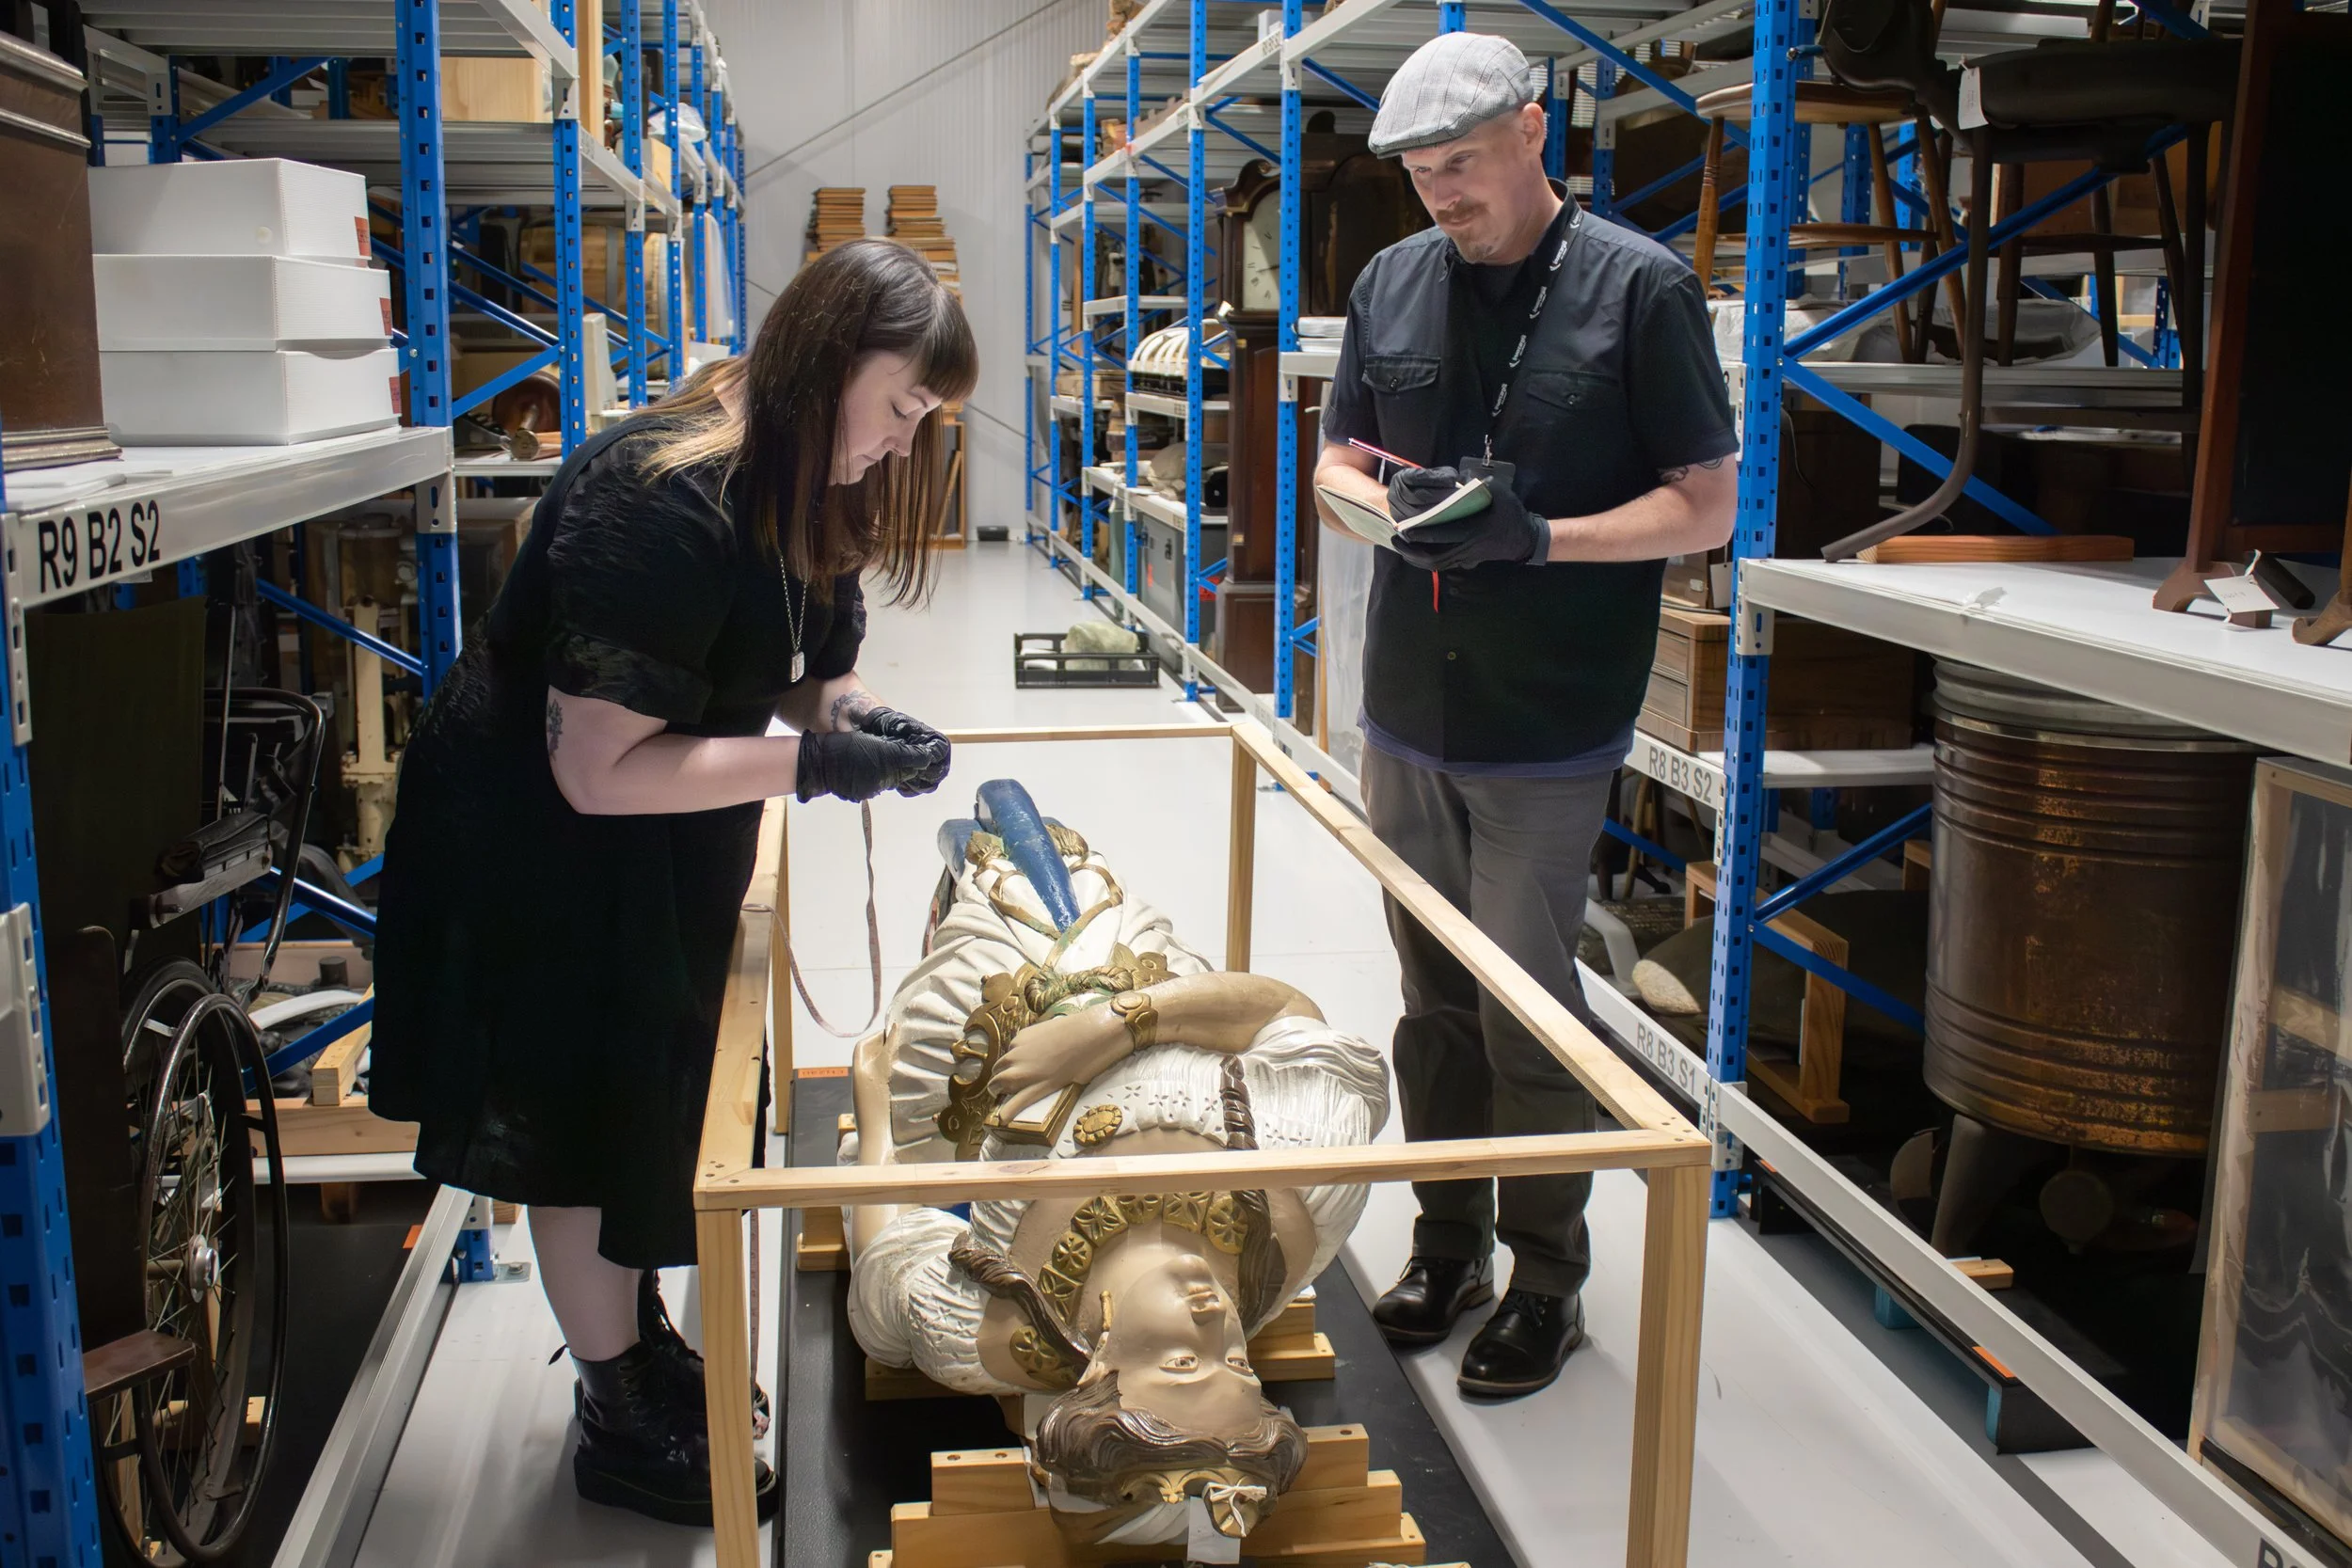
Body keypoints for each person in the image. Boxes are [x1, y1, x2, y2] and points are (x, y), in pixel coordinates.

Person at [370, 238, 977, 1525]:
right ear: (825, 365)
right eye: (903, 407)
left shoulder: (807, 473)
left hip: (663, 818)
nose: (906, 442)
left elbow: (813, 661)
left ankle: (634, 1345)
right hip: (543, 835)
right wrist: (810, 762)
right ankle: (616, 1404)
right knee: (583, 1115)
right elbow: (594, 766)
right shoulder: (658, 498)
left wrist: (860, 716)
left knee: (648, 1085)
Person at [1312, 31, 1739, 1399]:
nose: (1442, 197)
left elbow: (1706, 502)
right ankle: (1450, 1241)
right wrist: (1401, 513)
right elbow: (1333, 463)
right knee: (1432, 1003)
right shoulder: (1390, 282)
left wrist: (1538, 540)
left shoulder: (1640, 290)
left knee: (1526, 1011)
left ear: (1533, 132)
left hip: (1549, 722)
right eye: (1420, 175)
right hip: (1407, 715)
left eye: (1460, 168)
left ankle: (1549, 1280)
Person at [844, 782, 1391, 1552]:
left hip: (969, 1046)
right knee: (1065, 858)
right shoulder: (1301, 1205)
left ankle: (962, 885)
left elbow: (885, 1260)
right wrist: (1121, 1023)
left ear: (1095, 1372)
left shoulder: (992, 1330)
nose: (1216, 1319)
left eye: (1182, 1358)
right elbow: (1284, 1012)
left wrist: (871, 1117)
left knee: (982, 876)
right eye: (1238, 1359)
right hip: (1145, 971)